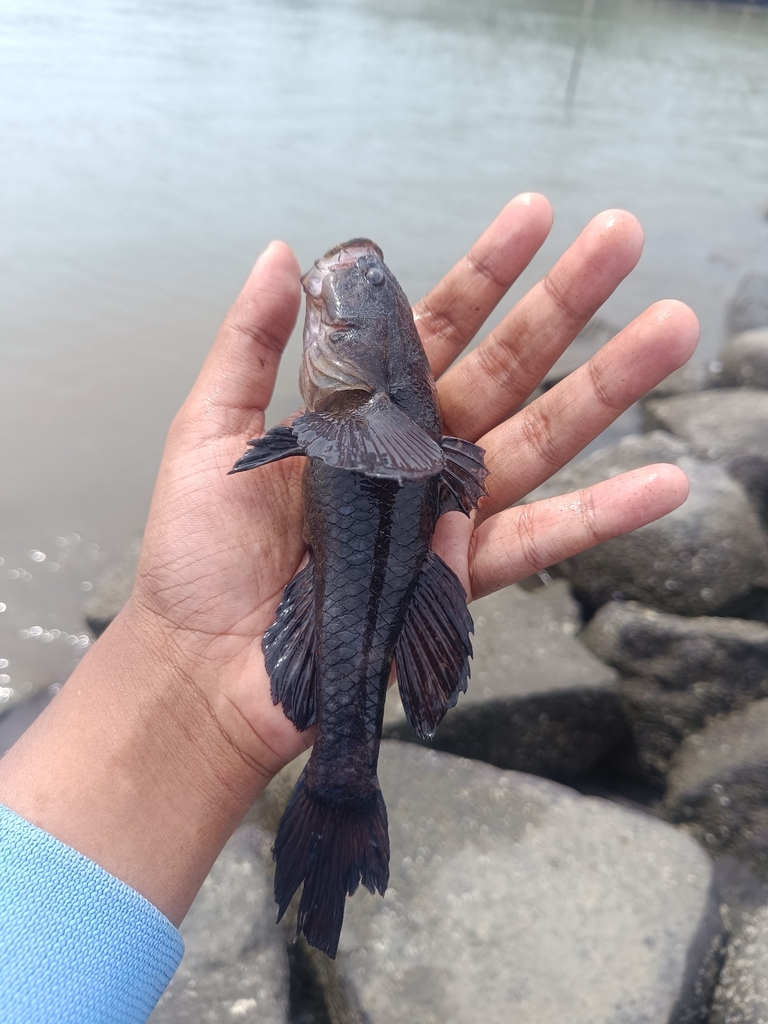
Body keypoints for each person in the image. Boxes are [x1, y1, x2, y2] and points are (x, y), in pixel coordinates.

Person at [0, 195, 698, 1022]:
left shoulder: (370, 418)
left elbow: (414, 450)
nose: (322, 318)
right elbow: (427, 457)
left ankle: (342, 781)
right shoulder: (359, 416)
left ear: (364, 373)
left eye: (334, 325)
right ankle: (343, 786)